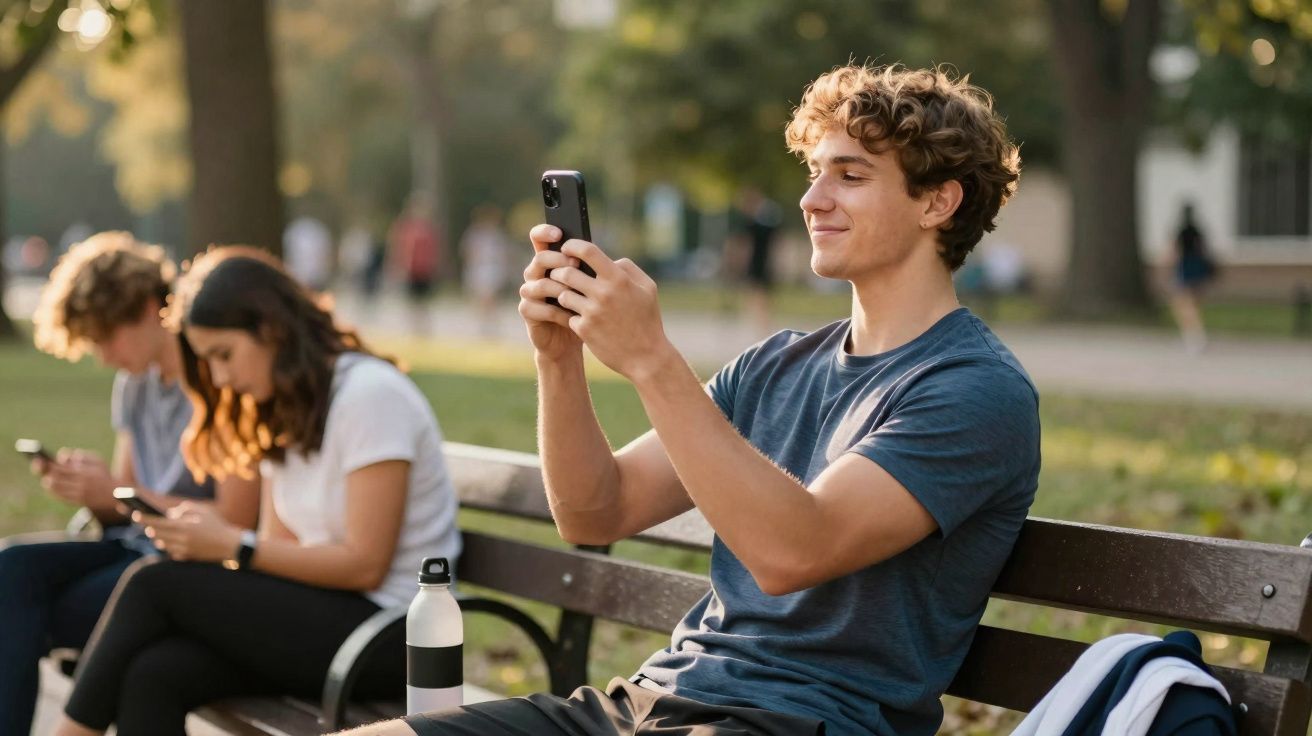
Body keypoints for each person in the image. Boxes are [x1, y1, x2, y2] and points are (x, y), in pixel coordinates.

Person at [343, 63, 1040, 736]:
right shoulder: (775, 364)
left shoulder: (974, 391)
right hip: (649, 701)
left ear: (936, 201)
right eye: (814, 172)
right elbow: (594, 512)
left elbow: (791, 553)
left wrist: (651, 359)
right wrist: (558, 356)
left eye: (850, 176)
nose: (812, 198)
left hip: (792, 721)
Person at [53, 246, 462, 736]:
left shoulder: (370, 396)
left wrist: (231, 546)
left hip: (396, 638)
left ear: (272, 330)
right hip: (330, 621)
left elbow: (364, 563)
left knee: (152, 583)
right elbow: (282, 548)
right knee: (155, 673)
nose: (221, 378)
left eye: (224, 355)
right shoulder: (285, 409)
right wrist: (213, 547)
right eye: (209, 362)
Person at [0, 232, 260, 736]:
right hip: (136, 546)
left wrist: (119, 494)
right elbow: (128, 498)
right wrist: (96, 490)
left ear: (149, 309)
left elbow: (235, 519)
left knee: (29, 613)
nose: (103, 355)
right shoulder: (135, 384)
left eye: (107, 337)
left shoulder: (218, 376)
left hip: (184, 563)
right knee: (12, 567)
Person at [728, 187, 783, 335]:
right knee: (758, 298)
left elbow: (742, 245)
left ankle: (762, 328)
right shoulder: (766, 224)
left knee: (758, 298)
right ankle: (761, 327)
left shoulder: (754, 225)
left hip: (758, 264)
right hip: (764, 264)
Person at [390, 194, 444, 334]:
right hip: (411, 269)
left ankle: (423, 327)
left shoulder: (430, 228)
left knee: (423, 301)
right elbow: (399, 248)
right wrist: (398, 266)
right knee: (412, 300)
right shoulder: (406, 227)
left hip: (425, 269)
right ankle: (414, 327)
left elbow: (435, 250)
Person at [1167, 203, 1216, 354]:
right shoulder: (1197, 231)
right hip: (1197, 267)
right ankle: (1193, 335)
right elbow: (1204, 249)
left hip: (1187, 268)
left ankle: (1194, 336)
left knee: (1183, 304)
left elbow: (1174, 251)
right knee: (1193, 304)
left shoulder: (1181, 232)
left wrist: (1169, 269)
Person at [459, 204, 513, 336]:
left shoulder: (498, 236)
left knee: (490, 298)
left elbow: (504, 254)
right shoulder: (474, 235)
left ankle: (490, 325)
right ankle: (485, 324)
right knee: (482, 299)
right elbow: (467, 252)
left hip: (493, 269)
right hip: (479, 269)